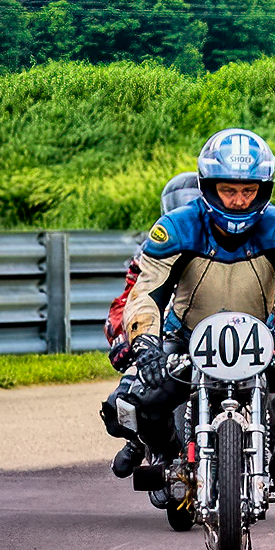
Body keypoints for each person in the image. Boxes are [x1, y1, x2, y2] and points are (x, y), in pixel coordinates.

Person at [119, 129, 275, 522]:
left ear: (263, 189)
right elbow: (146, 292)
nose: (238, 200)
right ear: (208, 186)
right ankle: (171, 462)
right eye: (228, 189)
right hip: (185, 341)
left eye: (248, 190)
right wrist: (145, 344)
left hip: (262, 340)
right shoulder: (176, 227)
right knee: (141, 398)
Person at [101, 172, 203, 478]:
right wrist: (124, 339)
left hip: (223, 341)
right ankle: (142, 441)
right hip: (163, 338)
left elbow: (265, 305)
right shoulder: (152, 248)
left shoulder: (233, 245)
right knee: (118, 406)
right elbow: (126, 301)